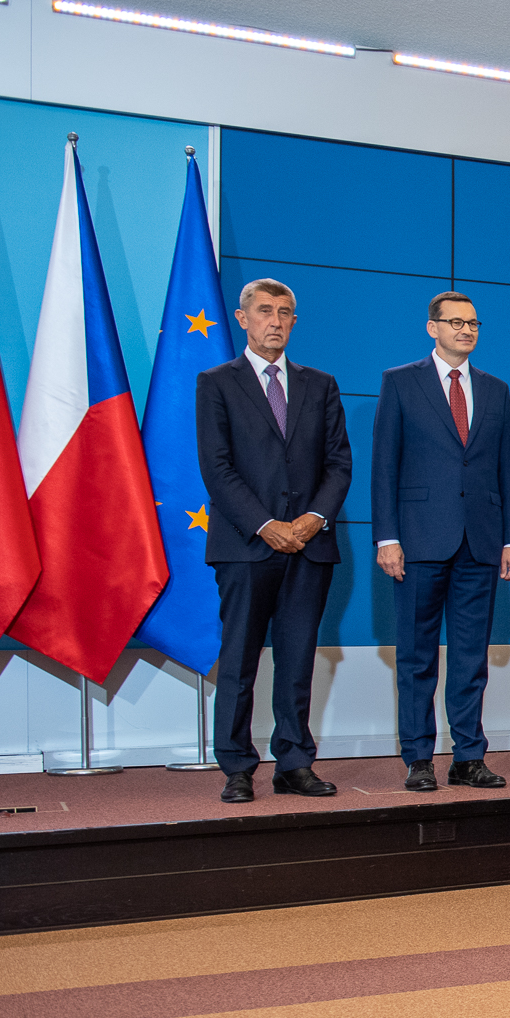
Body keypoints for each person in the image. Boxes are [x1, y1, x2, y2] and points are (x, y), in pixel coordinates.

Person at [196, 278, 352, 803]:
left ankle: (294, 762)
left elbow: (339, 465)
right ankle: (237, 767)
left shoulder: (320, 384)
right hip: (245, 546)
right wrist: (266, 525)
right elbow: (217, 468)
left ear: (294, 321)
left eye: (285, 312)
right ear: (243, 319)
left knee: (297, 660)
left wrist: (312, 520)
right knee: (239, 661)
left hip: (310, 547)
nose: (276, 321)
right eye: (265, 311)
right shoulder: (216, 383)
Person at [372, 291, 510, 793]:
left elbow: (507, 469)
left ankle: (468, 757)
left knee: (470, 658)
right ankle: (418, 758)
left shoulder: (496, 389)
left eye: (473, 323)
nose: (466, 330)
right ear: (432, 327)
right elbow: (384, 466)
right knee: (416, 657)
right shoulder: (400, 382)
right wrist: (387, 537)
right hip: (418, 541)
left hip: (480, 543)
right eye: (455, 322)